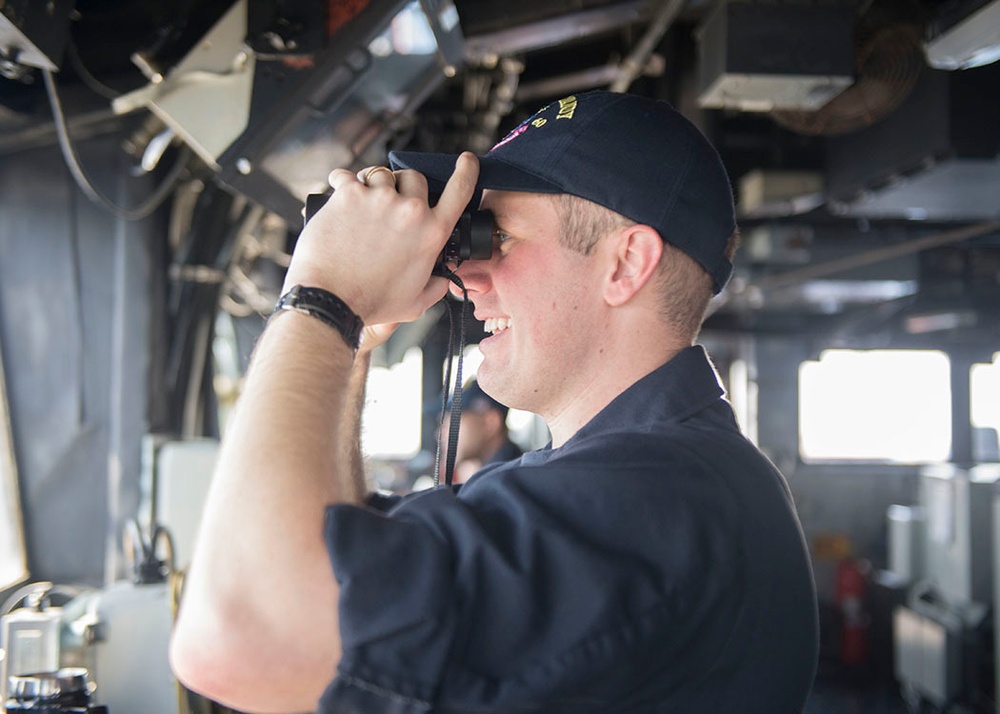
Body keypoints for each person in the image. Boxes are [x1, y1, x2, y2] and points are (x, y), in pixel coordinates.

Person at [170, 90, 819, 713]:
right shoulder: (630, 476)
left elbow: (239, 637)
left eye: (496, 238)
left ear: (625, 266)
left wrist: (321, 295)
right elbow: (339, 569)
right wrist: (355, 342)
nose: (465, 276)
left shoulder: (655, 502)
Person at [438, 379, 524, 484]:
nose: (442, 434)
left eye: (453, 422)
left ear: (490, 423)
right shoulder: (504, 475)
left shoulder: (507, 484)